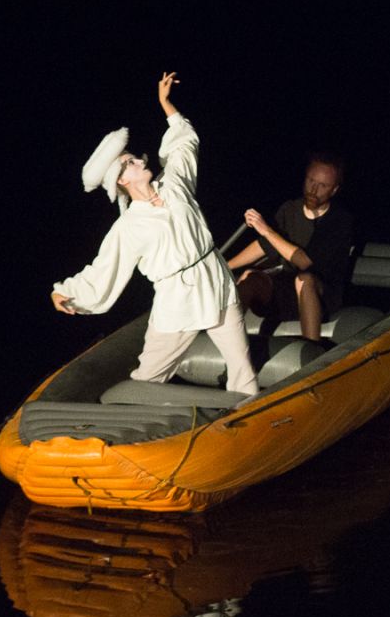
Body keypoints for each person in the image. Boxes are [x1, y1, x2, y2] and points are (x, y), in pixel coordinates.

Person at [50, 72, 258, 394]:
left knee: (242, 367)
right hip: (177, 298)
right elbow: (105, 267)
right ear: (122, 180)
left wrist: (165, 103)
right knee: (148, 378)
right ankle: (128, 415)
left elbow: (186, 142)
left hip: (215, 279)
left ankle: (249, 410)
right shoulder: (129, 226)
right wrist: (64, 292)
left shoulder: (173, 184)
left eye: (134, 157)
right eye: (130, 162)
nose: (138, 160)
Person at [227, 153, 354, 342]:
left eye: (322, 186)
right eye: (311, 181)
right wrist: (225, 266)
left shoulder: (339, 220)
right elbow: (264, 245)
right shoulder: (290, 209)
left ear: (334, 190)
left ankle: (312, 347)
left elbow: (304, 262)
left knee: (304, 279)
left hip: (322, 296)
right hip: (286, 291)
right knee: (251, 278)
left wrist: (266, 230)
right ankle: (228, 344)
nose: (313, 190)